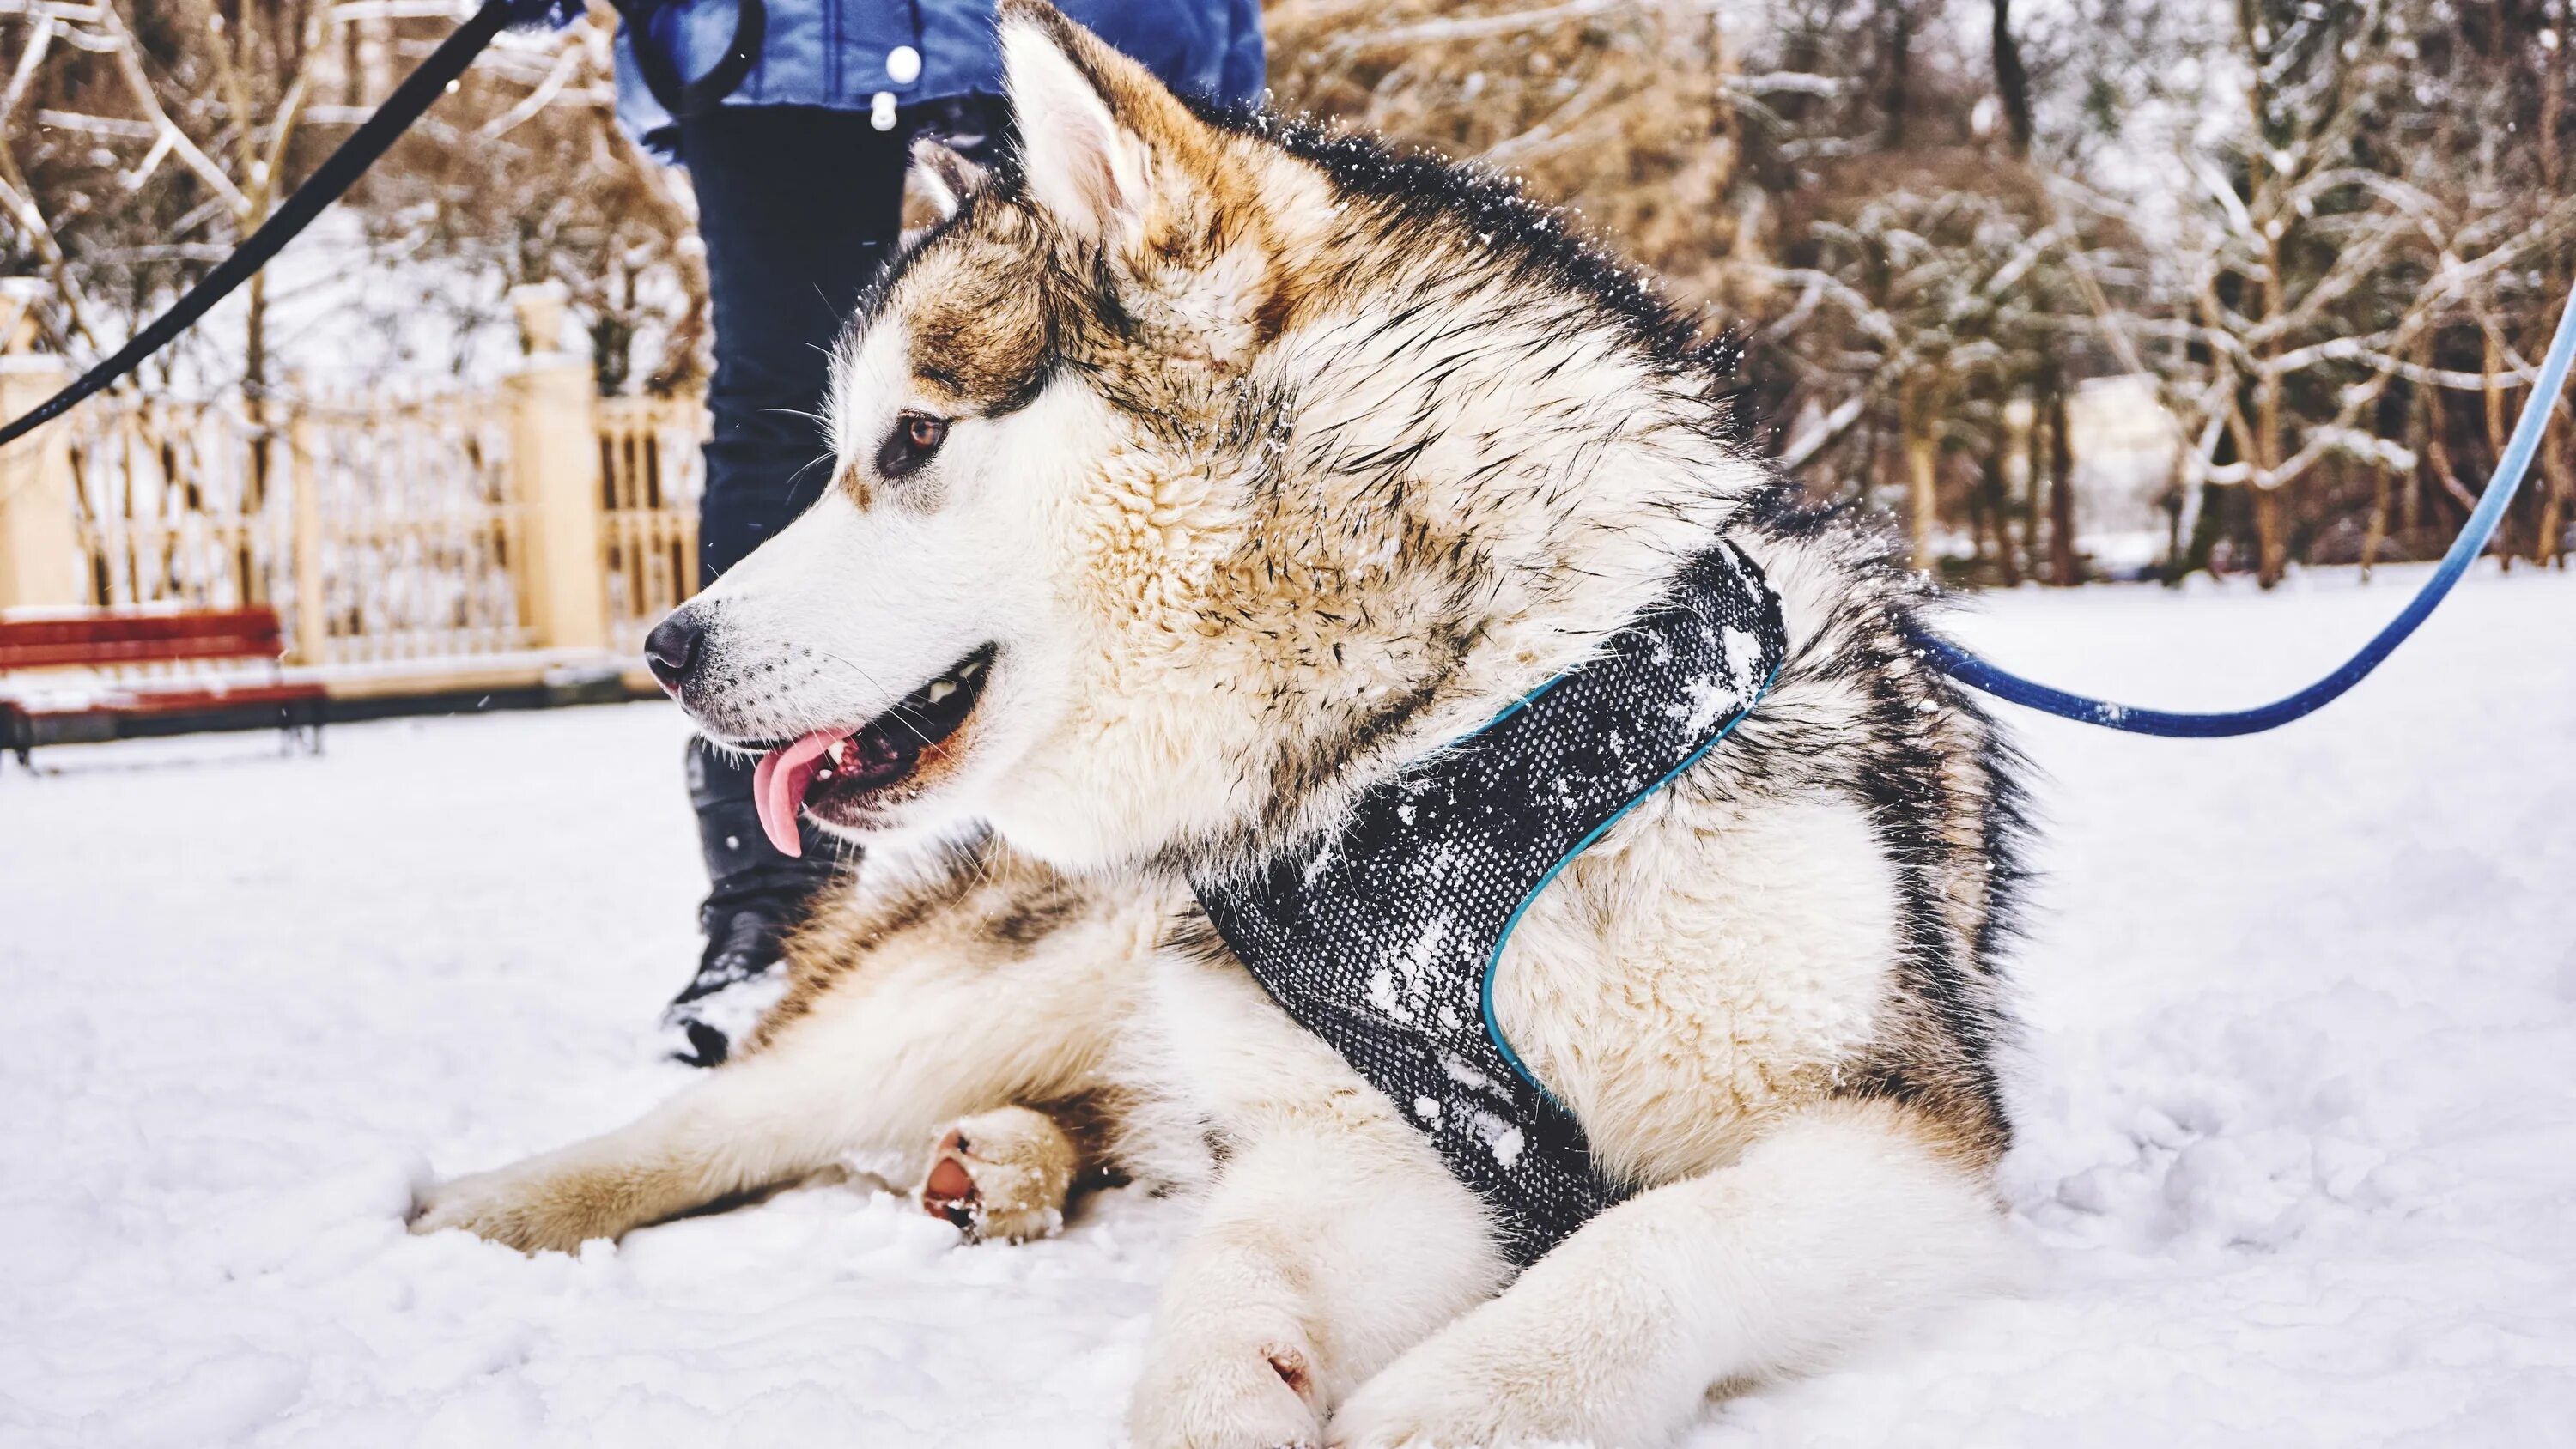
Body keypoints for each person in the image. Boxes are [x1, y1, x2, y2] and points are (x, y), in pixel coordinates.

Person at [608, 0, 1266, 1064]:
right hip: (779, 40)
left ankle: (1169, 866)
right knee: (797, 416)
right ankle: (774, 907)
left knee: (1143, 403)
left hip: (1062, 33)